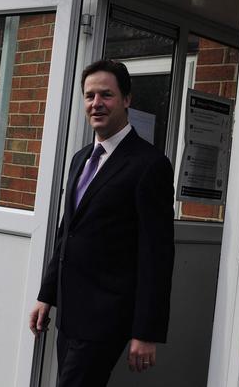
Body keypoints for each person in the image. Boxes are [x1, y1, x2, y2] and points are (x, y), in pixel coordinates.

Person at [28, 59, 175, 386]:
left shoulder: (150, 165)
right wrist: (46, 294)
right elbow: (68, 233)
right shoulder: (80, 159)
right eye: (90, 95)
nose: (96, 104)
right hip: (69, 314)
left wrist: (146, 331)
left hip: (106, 318)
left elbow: (158, 255)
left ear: (127, 100)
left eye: (106, 95)